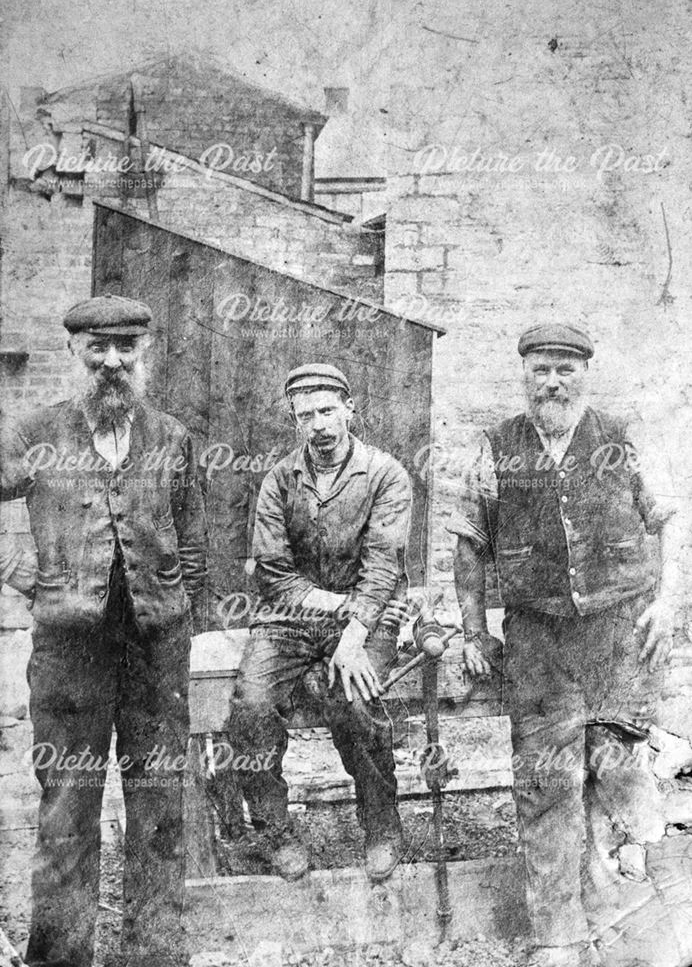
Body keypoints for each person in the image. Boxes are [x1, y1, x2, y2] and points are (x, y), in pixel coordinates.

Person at [449, 324, 682, 967]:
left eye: (564, 370)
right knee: (546, 785)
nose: (551, 382)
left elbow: (669, 520)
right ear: (524, 375)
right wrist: (472, 628)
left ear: (585, 374)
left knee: (623, 778)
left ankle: (631, 931)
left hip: (618, 636)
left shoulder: (624, 438)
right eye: (540, 370)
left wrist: (667, 602)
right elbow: (468, 541)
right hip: (537, 643)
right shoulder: (495, 446)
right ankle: (558, 939)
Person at [0, 295, 208, 967]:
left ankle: (155, 957)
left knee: (161, 813)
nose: (112, 362)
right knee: (67, 815)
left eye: (126, 348)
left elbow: (196, 539)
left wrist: (180, 608)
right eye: (99, 349)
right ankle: (59, 959)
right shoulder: (36, 431)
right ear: (74, 352)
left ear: (145, 352)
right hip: (70, 652)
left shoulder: (171, 436)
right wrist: (24, 573)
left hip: (155, 651)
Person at [227, 363, 411, 883]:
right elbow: (273, 574)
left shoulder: (385, 475)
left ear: (349, 408)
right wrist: (337, 606)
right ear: (294, 419)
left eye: (327, 410)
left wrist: (354, 636)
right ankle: (275, 833)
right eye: (305, 415)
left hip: (368, 618)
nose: (319, 425)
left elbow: (383, 569)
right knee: (251, 706)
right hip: (290, 617)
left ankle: (381, 826)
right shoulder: (279, 480)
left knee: (354, 702)